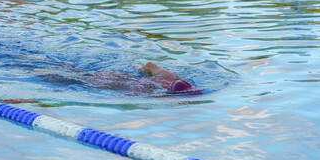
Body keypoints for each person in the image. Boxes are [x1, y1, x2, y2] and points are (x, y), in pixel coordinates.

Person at [38, 62, 202, 96]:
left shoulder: (169, 77)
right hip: (100, 83)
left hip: (110, 76)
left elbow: (150, 65)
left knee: (68, 68)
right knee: (52, 77)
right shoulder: (152, 94)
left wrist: (139, 69)